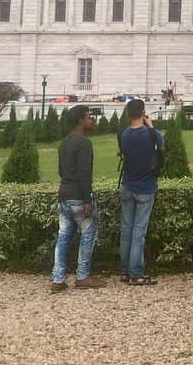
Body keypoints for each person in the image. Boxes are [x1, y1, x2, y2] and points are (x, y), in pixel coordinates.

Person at [50, 106, 105, 292]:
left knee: (63, 236)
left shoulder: (64, 142)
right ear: (81, 120)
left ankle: (58, 279)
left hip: (64, 194)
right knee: (88, 234)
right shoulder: (84, 143)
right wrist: (88, 199)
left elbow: (60, 170)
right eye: (89, 117)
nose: (92, 120)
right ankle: (82, 276)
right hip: (79, 196)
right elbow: (84, 173)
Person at [118, 99, 165, 285]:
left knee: (126, 229)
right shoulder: (151, 134)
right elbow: (162, 149)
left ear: (128, 114)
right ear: (143, 112)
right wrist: (151, 126)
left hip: (127, 185)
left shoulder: (123, 134)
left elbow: (123, 153)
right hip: (145, 186)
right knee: (138, 231)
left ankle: (125, 271)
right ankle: (136, 273)